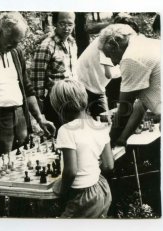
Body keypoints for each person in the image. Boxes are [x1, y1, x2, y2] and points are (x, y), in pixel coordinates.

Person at [0, 11, 55, 217]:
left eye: (18, 42)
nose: (15, 46)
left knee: (23, 165)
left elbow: (27, 88)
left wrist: (40, 118)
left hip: (20, 116)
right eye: (12, 41)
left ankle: (22, 213)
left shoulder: (16, 52)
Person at [50, 79, 114, 218]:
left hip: (82, 196)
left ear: (60, 107)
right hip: (102, 188)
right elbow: (109, 165)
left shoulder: (66, 130)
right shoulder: (100, 126)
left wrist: (63, 193)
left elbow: (71, 171)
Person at [98, 24, 160, 146]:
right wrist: (122, 138)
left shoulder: (130, 58)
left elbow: (124, 109)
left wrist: (109, 143)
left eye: (110, 56)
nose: (114, 63)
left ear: (115, 46)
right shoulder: (144, 42)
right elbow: (141, 104)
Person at [30, 12, 78, 129]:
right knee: (59, 134)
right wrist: (39, 107)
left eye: (70, 24)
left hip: (71, 98)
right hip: (54, 102)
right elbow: (37, 79)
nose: (66, 28)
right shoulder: (47, 46)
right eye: (62, 24)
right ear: (55, 23)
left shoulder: (72, 43)